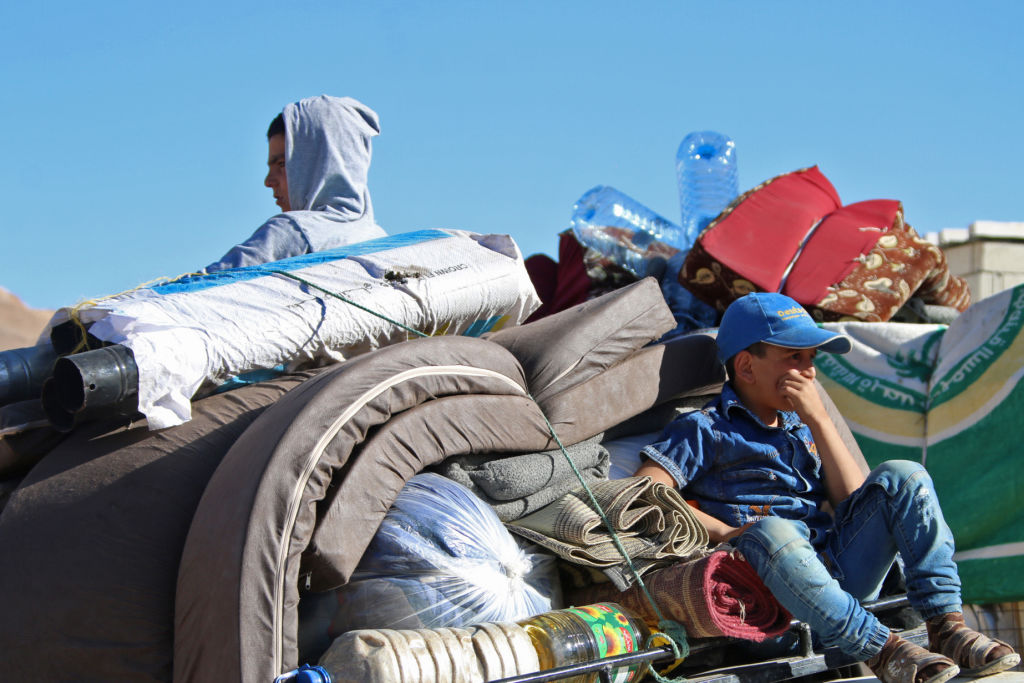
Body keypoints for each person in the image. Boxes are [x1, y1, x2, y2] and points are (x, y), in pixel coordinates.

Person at [634, 292, 1019, 683]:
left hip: (836, 577)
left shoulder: (800, 426)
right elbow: (647, 489)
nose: (809, 372)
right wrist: (730, 533)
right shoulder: (706, 427)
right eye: (794, 358)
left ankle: (946, 625)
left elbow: (855, 501)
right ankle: (882, 651)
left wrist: (819, 419)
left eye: (811, 360)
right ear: (747, 367)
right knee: (773, 529)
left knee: (905, 474)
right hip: (768, 600)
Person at [204, 95, 387, 272]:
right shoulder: (386, 246)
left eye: (282, 164)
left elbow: (198, 287)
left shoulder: (294, 233)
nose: (268, 181)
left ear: (319, 164)